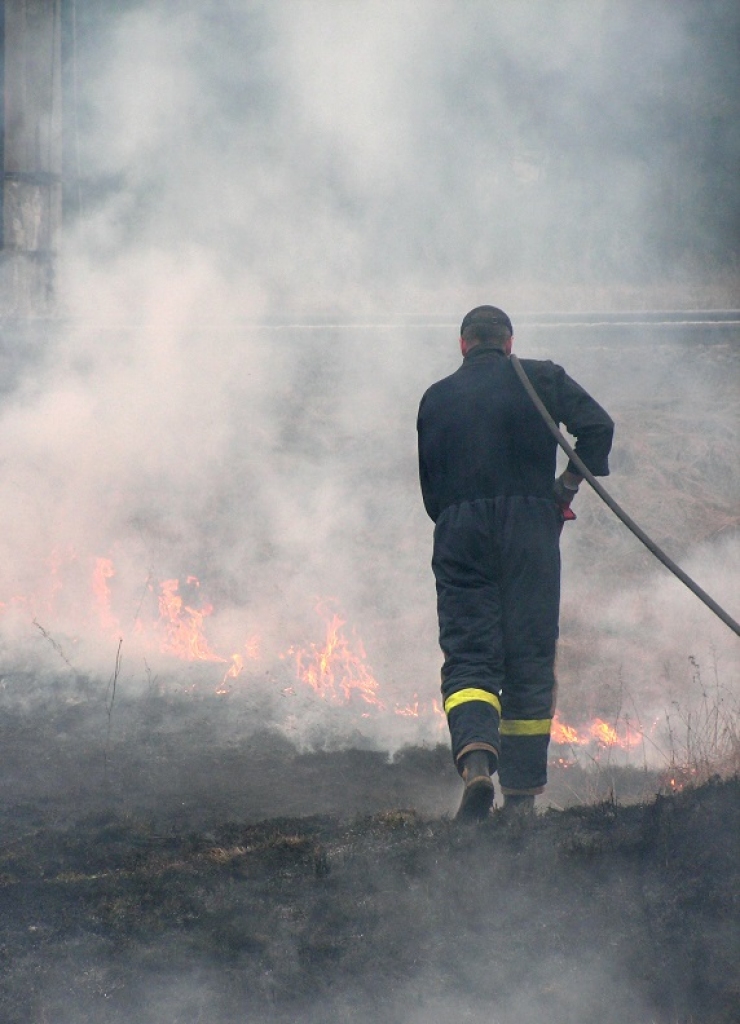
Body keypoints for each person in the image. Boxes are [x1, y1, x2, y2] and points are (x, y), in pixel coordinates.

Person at [417, 305, 614, 821]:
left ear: (462, 345)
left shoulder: (435, 399)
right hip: (529, 527)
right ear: (509, 342)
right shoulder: (541, 378)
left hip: (459, 531)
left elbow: (431, 494)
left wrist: (463, 519)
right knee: (527, 656)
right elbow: (598, 428)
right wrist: (564, 488)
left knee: (469, 653)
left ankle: (478, 766)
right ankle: (521, 799)